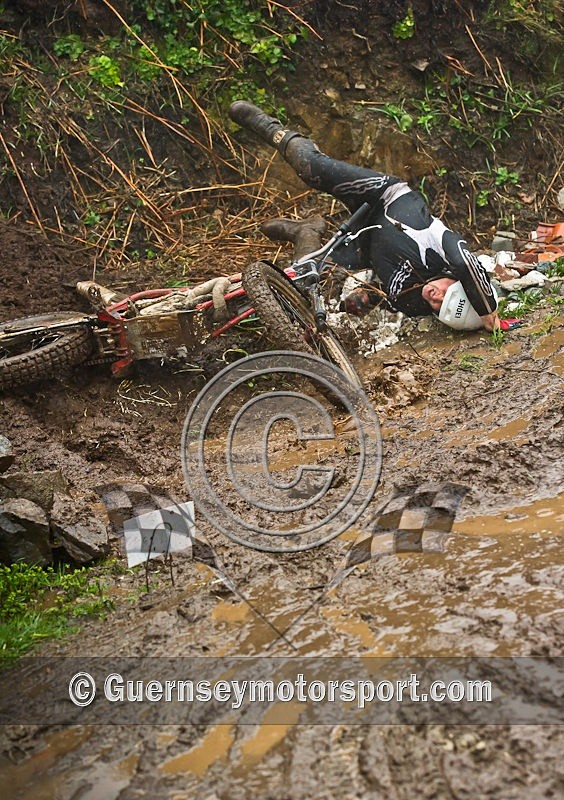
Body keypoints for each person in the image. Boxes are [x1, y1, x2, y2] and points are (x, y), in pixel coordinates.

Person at [229, 100, 501, 331]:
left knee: (301, 278)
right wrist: (487, 308)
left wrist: (364, 300)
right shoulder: (441, 248)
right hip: (384, 198)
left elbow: (385, 293)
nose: (436, 297)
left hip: (364, 248)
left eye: (438, 307)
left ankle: (305, 232)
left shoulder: (416, 304)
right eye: (448, 294)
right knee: (310, 167)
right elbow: (467, 264)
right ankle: (271, 128)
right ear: (457, 282)